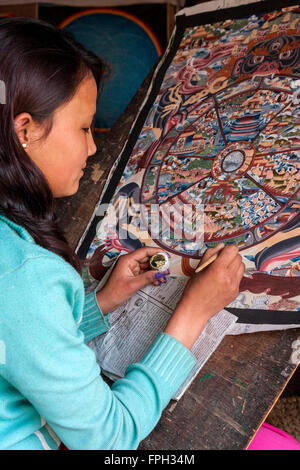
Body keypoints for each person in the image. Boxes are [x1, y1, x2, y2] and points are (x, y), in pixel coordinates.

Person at [0, 17, 297, 451]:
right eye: (84, 128)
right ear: (25, 130)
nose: (93, 147)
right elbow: (108, 437)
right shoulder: (25, 275)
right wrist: (194, 312)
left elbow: (25, 342)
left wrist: (101, 301)